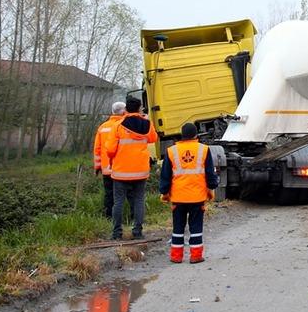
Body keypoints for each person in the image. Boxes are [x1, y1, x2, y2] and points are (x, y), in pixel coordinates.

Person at [159, 122, 218, 263]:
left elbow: (165, 175)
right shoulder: (204, 150)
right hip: (197, 196)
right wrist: (212, 186)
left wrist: (164, 191)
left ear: (182, 135)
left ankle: (176, 257)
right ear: (196, 135)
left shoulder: (171, 151)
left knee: (178, 227)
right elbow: (210, 173)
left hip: (178, 197)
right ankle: (196, 256)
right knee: (196, 226)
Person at [103, 97, 158, 240]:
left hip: (121, 171)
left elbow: (109, 149)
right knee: (139, 200)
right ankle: (138, 232)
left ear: (126, 109)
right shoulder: (147, 124)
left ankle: (117, 233)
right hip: (140, 170)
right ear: (140, 108)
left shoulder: (118, 125)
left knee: (118, 202)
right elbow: (153, 139)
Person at [92, 102, 127, 218]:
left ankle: (109, 217)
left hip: (107, 168)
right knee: (125, 194)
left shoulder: (102, 127)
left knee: (109, 194)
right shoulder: (124, 125)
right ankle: (126, 218)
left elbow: (97, 149)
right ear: (123, 111)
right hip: (122, 168)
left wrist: (97, 167)